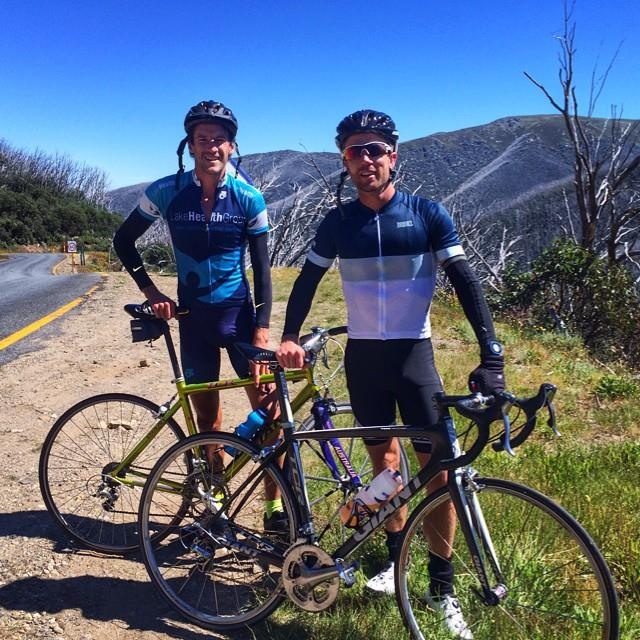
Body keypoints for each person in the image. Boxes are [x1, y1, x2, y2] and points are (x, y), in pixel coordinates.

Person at [276, 109, 505, 639]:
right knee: (386, 466)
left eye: (375, 149)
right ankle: (392, 564)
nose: (365, 159)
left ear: (393, 156)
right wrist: (289, 335)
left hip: (413, 359)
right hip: (364, 359)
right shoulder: (337, 222)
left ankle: (440, 587)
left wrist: (490, 354)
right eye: (355, 151)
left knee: (439, 472)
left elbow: (466, 282)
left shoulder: (426, 213)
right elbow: (307, 282)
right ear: (345, 160)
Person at [113, 100, 285, 532]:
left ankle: (274, 510)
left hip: (240, 319)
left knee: (271, 415)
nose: (212, 146)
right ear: (190, 145)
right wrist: (152, 292)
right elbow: (123, 241)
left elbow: (263, 271)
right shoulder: (167, 191)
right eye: (203, 139)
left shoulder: (249, 197)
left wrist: (262, 331)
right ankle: (216, 504)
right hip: (193, 321)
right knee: (207, 421)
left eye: (220, 139)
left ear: (232, 146)